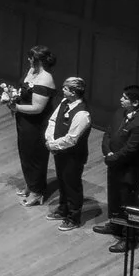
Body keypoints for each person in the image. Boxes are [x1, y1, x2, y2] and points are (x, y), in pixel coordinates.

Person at [0, 44, 56, 207]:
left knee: (35, 155)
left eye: (31, 58)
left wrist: (16, 107)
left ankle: (38, 191)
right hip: (24, 120)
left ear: (39, 61)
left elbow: (38, 108)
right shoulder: (32, 71)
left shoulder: (45, 79)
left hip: (36, 123)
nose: (28, 60)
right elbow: (24, 90)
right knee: (25, 153)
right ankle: (31, 184)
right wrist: (11, 96)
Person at [95, 85, 139, 250]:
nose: (121, 99)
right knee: (114, 197)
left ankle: (130, 237)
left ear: (135, 102)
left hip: (128, 169)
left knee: (128, 202)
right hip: (114, 164)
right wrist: (108, 153)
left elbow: (131, 149)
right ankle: (115, 225)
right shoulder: (120, 112)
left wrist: (113, 158)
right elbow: (108, 134)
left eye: (125, 98)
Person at [43, 75, 92, 231]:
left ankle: (73, 217)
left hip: (73, 156)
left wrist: (53, 144)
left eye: (65, 88)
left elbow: (72, 139)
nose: (62, 90)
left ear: (73, 92)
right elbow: (52, 121)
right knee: (62, 182)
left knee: (72, 185)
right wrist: (50, 139)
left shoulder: (82, 114)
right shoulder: (64, 103)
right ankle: (63, 209)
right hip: (59, 152)